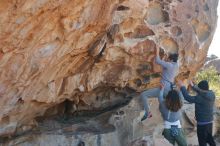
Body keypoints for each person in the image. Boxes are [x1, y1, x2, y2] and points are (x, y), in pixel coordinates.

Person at [140, 47, 179, 121]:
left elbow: (157, 61)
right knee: (166, 105)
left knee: (144, 95)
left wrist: (157, 49)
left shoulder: (169, 65)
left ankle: (148, 113)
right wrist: (165, 57)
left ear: (171, 60)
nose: (167, 59)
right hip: (170, 89)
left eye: (168, 58)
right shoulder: (176, 66)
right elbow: (164, 65)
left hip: (164, 88)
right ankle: (169, 119)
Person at [178, 80, 216, 146]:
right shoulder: (212, 94)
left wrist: (182, 87)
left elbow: (187, 98)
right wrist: (193, 86)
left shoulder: (200, 98)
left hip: (202, 125)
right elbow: (201, 91)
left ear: (200, 89)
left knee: (202, 142)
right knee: (210, 140)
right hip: (210, 123)